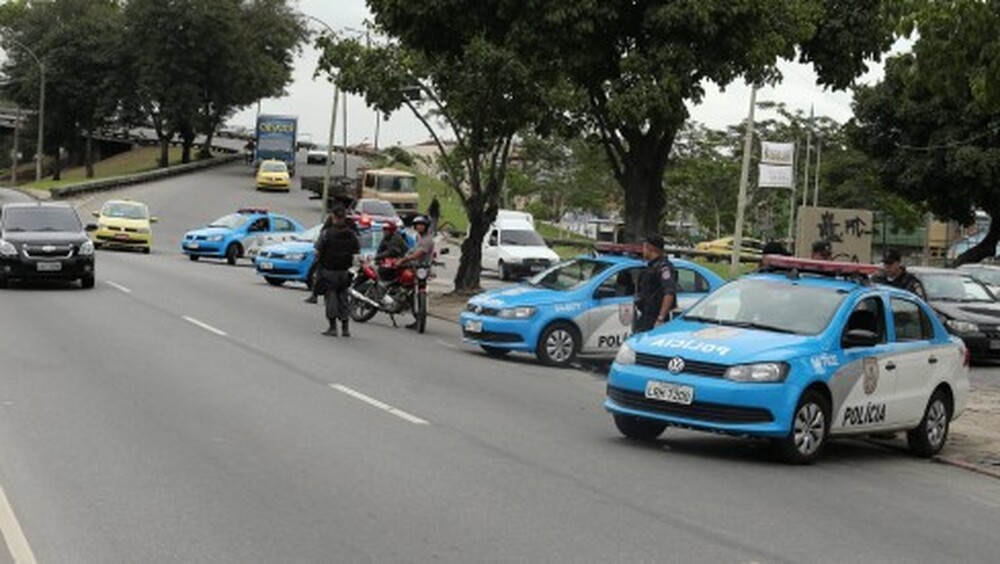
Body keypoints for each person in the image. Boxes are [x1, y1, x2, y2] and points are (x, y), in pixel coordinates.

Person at [316, 207, 360, 337]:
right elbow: (356, 251)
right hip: (344, 271)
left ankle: (333, 327)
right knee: (343, 298)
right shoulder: (351, 234)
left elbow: (318, 251)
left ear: (333, 217)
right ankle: (345, 328)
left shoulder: (326, 233)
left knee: (331, 299)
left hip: (329, 270)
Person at [633, 234, 678, 334]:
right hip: (645, 316)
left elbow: (669, 292)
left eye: (644, 246)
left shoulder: (664, 268)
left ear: (650, 247)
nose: (643, 250)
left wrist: (660, 319)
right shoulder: (651, 266)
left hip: (655, 318)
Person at [398, 215, 435, 330]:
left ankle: (419, 317)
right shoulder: (418, 237)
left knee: (420, 291)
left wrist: (404, 259)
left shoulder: (428, 240)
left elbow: (418, 254)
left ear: (426, 227)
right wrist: (406, 254)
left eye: (422, 225)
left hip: (422, 268)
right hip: (414, 266)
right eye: (417, 225)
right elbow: (414, 249)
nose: (419, 227)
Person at [303, 214, 336, 304]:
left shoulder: (325, 232)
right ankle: (327, 298)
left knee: (319, 279)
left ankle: (315, 296)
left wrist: (317, 258)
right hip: (335, 260)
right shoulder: (340, 232)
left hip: (324, 260)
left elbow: (318, 247)